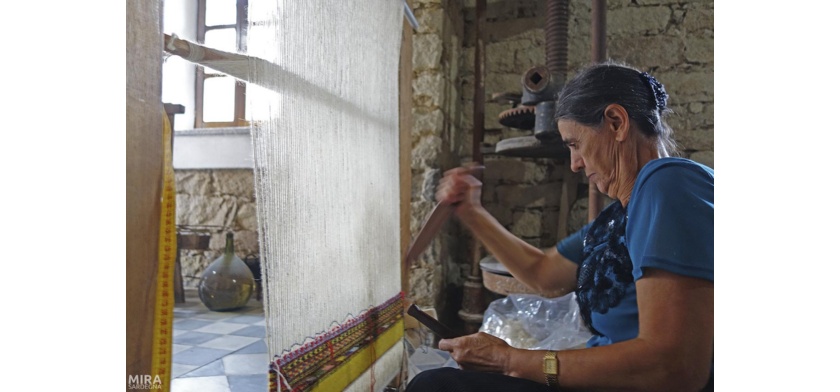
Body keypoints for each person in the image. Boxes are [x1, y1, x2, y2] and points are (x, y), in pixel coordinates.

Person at [405, 60, 713, 392]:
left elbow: (674, 368)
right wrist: (471, 211)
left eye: (575, 144)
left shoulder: (668, 183)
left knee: (435, 387)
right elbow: (543, 273)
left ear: (616, 122)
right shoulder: (619, 217)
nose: (575, 163)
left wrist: (511, 361)